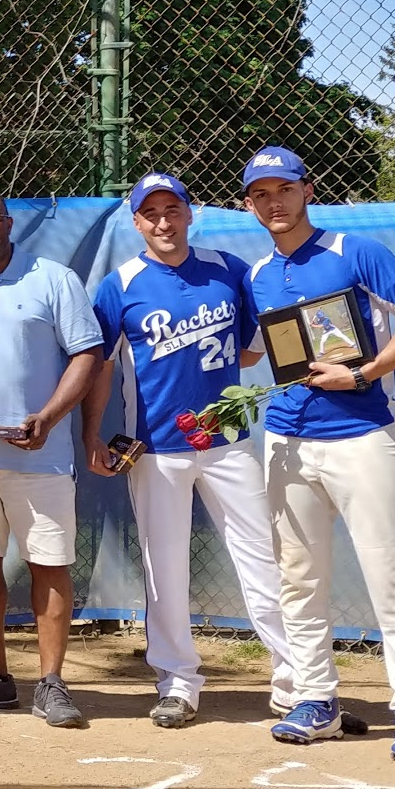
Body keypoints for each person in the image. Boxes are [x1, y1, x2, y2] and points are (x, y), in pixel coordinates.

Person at [240, 146, 395, 761]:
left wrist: (367, 373)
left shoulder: (355, 252)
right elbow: (258, 354)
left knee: (392, 577)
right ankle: (316, 700)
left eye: (283, 189)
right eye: (259, 194)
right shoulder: (256, 276)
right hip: (288, 439)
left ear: (308, 190)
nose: (273, 202)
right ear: (249, 204)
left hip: (365, 435)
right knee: (298, 581)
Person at [79, 172, 298, 729]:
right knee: (164, 566)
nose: (162, 221)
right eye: (150, 213)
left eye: (171, 209)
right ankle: (178, 680)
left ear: (188, 212)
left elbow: (251, 352)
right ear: (136, 222)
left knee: (263, 558)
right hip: (154, 447)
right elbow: (100, 365)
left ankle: (296, 679)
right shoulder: (120, 283)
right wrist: (90, 433)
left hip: (228, 441)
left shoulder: (228, 269)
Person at [0, 187, 103, 727]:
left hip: (41, 455)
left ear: (9, 223)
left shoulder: (54, 279)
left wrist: (48, 419)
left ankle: (51, 683)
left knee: (48, 564)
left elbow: (87, 355)